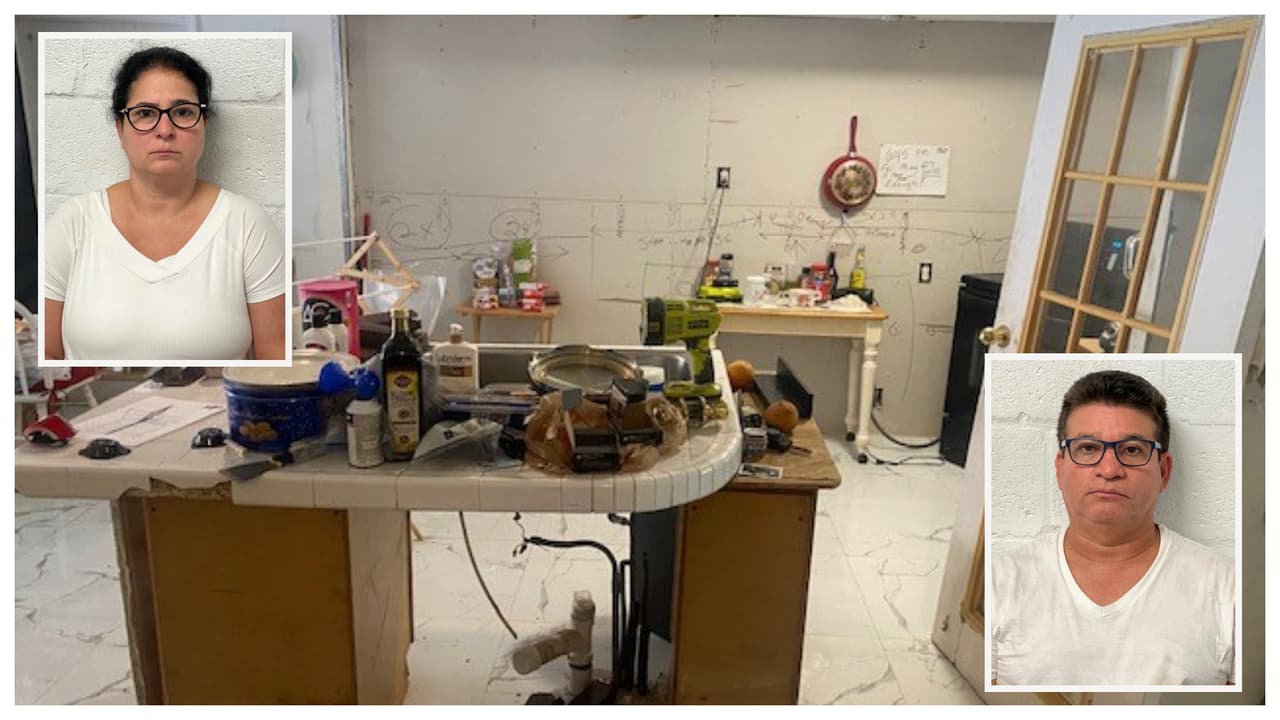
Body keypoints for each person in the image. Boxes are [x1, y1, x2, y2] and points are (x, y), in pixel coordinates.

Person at [991, 370, 1234, 686]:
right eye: (1088, 448)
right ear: (1060, 468)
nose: (1109, 470)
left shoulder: (1229, 588)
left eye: (1132, 450)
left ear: (1163, 472)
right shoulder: (998, 583)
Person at [44, 46, 285, 361]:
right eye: (145, 113)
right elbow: (46, 358)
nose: (165, 130)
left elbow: (275, 361)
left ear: (204, 124)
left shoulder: (248, 225)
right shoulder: (72, 223)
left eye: (182, 112)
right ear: (120, 129)